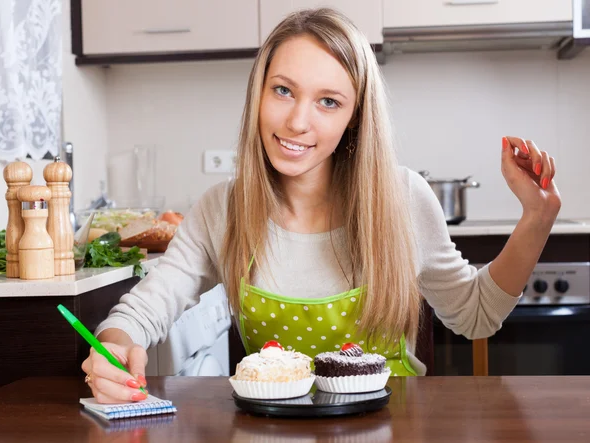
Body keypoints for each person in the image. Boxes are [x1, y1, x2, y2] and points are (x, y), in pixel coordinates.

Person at [82, 8, 561, 403]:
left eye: (328, 102)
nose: (296, 121)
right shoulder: (222, 209)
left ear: (354, 118)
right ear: (259, 93)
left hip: (391, 429)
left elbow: (474, 315)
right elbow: (142, 312)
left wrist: (536, 220)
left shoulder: (402, 198)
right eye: (283, 90)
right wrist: (114, 347)